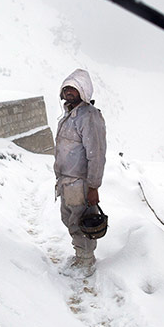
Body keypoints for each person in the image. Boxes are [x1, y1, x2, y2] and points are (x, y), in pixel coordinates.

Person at [54, 69, 107, 272]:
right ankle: (80, 255)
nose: (68, 91)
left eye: (73, 88)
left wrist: (93, 187)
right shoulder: (70, 115)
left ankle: (86, 261)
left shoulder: (89, 117)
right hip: (67, 182)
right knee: (68, 219)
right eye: (66, 88)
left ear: (83, 91)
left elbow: (97, 154)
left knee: (81, 222)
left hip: (80, 183)